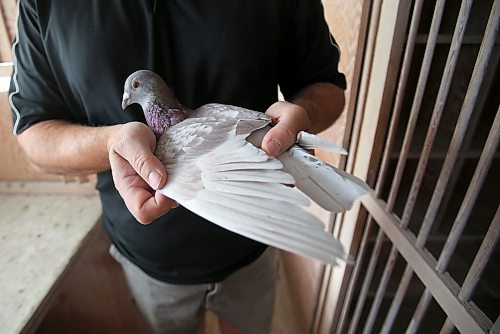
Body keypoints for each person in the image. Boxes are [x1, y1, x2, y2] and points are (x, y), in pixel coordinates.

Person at [9, 1, 346, 333]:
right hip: (147, 257)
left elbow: (325, 84)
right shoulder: (43, 6)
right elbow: (33, 131)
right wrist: (113, 142)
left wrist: (303, 115)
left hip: (253, 235)